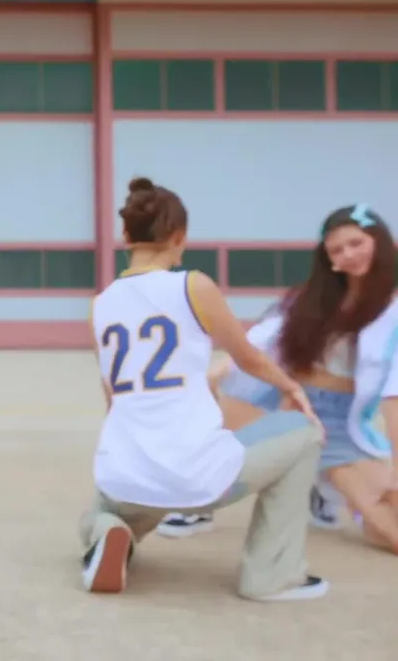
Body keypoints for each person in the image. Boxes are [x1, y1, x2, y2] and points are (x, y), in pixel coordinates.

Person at [82, 177, 328, 601]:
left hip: (127, 473)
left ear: (126, 235)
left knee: (103, 509)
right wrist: (293, 388)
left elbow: (113, 399)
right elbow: (249, 358)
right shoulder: (192, 286)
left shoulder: (101, 304)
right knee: (305, 435)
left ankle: (107, 531)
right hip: (198, 478)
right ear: (179, 237)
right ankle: (272, 575)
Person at [157, 204, 398, 550]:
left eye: (356, 243)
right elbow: (263, 339)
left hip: (340, 424)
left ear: (379, 241)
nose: (348, 254)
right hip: (286, 399)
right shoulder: (314, 298)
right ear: (329, 260)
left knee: (391, 533)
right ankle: (199, 502)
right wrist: (217, 373)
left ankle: (320, 483)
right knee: (218, 430)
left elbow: (394, 399)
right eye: (336, 250)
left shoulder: (393, 308)